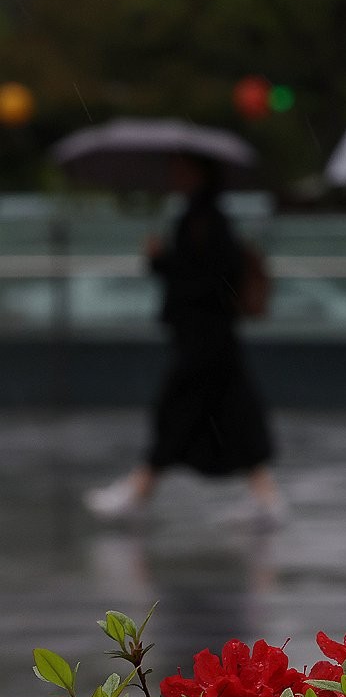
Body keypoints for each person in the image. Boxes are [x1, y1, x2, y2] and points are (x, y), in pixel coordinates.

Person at [85, 153, 283, 525]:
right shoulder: (198, 218)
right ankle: (265, 497)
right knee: (232, 413)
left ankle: (140, 488)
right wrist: (163, 262)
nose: (174, 175)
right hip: (208, 337)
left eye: (182, 169)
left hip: (204, 339)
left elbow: (208, 276)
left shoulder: (206, 221)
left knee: (177, 411)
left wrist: (166, 262)